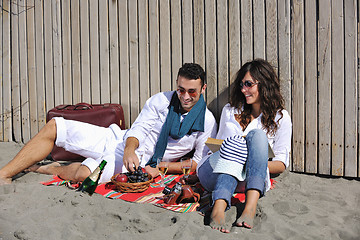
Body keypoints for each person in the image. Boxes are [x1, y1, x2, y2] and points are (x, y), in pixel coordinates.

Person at [0, 63, 217, 185]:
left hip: (140, 162)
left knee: (87, 176)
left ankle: (50, 169)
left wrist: (160, 167)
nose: (185, 96)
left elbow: (197, 163)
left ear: (203, 88)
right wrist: (129, 149)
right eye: (181, 89)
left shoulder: (207, 121)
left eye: (192, 91)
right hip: (119, 139)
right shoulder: (161, 100)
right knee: (56, 125)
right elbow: (139, 128)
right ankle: (3, 174)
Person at [183, 59, 292, 232]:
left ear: (264, 84)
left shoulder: (281, 118)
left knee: (257, 136)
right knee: (235, 143)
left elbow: (281, 164)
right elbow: (215, 147)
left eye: (248, 84)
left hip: (249, 178)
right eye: (241, 84)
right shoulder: (230, 110)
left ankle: (249, 207)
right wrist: (235, 154)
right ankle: (219, 207)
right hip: (215, 172)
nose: (243, 90)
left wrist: (247, 162)